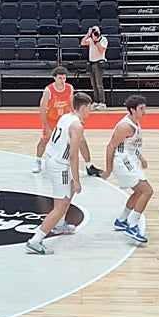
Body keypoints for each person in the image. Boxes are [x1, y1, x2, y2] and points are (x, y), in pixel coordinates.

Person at [25, 92, 94, 256]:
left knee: (68, 191)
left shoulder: (66, 117)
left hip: (52, 159)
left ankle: (61, 224)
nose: (91, 111)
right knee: (59, 206)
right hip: (60, 166)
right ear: (83, 107)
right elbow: (73, 155)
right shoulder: (77, 125)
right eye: (90, 108)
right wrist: (77, 180)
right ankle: (35, 241)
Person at [105, 94, 153, 245]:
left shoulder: (135, 123)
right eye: (141, 109)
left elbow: (131, 146)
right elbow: (111, 146)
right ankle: (132, 225)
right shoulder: (125, 126)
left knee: (139, 192)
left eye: (145, 108)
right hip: (121, 161)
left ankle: (121, 221)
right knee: (147, 191)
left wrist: (141, 157)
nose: (144, 111)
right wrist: (108, 169)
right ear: (132, 110)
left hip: (129, 158)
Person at [33, 66, 89, 174]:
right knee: (44, 141)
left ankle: (88, 165)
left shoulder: (69, 88)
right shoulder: (48, 90)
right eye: (60, 78)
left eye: (64, 78)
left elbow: (71, 104)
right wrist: (46, 126)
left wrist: (77, 118)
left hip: (66, 120)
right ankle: (38, 161)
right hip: (52, 120)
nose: (62, 81)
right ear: (54, 78)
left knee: (80, 140)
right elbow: (42, 109)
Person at [81, 26, 108, 109]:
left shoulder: (103, 39)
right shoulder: (90, 40)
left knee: (99, 84)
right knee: (94, 84)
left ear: (99, 31)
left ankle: (102, 102)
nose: (95, 32)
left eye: (96, 30)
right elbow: (83, 43)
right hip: (91, 63)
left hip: (99, 63)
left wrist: (96, 41)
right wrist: (87, 35)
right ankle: (96, 101)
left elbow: (101, 50)